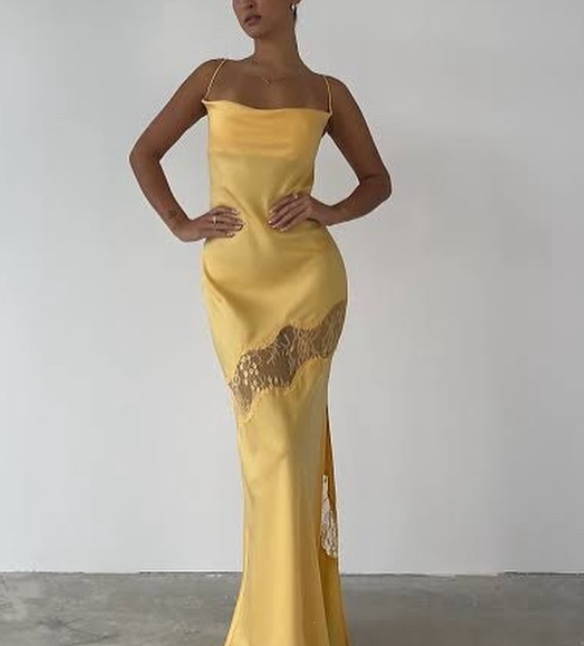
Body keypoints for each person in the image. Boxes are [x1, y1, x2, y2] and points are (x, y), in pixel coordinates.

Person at [129, 1, 392, 644]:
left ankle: (288, 625)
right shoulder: (213, 77)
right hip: (235, 287)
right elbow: (145, 153)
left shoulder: (327, 92)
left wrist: (329, 210)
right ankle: (281, 623)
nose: (245, 3)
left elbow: (377, 180)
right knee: (268, 453)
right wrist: (181, 223)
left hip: (309, 286)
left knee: (290, 458)